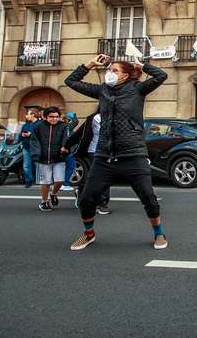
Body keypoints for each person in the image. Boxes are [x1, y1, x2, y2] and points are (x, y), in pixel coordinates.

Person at [65, 54, 168, 251]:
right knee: (86, 199)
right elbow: (71, 81)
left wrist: (142, 66)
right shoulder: (102, 91)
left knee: (148, 197)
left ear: (126, 75)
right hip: (105, 156)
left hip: (133, 155)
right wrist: (89, 65)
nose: (109, 73)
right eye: (107, 70)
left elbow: (161, 76)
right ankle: (88, 234)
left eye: (114, 70)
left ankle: (159, 234)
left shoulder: (138, 88)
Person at [65, 111, 112, 215]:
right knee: (102, 177)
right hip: (94, 152)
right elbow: (80, 132)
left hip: (108, 153)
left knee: (101, 177)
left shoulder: (115, 118)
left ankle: (82, 191)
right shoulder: (94, 118)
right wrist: (67, 145)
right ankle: (100, 203)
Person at [31, 106, 68, 212]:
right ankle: (44, 201)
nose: (54, 119)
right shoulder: (39, 127)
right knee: (46, 182)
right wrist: (36, 155)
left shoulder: (62, 126)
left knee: (60, 181)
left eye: (56, 117)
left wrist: (64, 149)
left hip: (58, 158)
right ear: (46, 117)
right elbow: (34, 141)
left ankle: (53, 194)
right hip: (44, 159)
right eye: (51, 117)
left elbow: (65, 139)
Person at [21, 108, 42, 188]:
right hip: (26, 146)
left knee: (37, 164)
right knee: (26, 165)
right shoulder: (26, 125)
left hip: (36, 147)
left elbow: (41, 135)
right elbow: (20, 136)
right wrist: (22, 135)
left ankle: (40, 180)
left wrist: (31, 134)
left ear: (33, 115)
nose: (27, 115)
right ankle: (28, 180)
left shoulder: (40, 124)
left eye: (28, 113)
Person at [61, 112, 79, 191]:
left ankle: (60, 183)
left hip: (63, 150)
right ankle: (65, 184)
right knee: (70, 166)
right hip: (69, 150)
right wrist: (72, 116)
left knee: (62, 167)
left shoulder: (60, 128)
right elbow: (75, 122)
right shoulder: (67, 127)